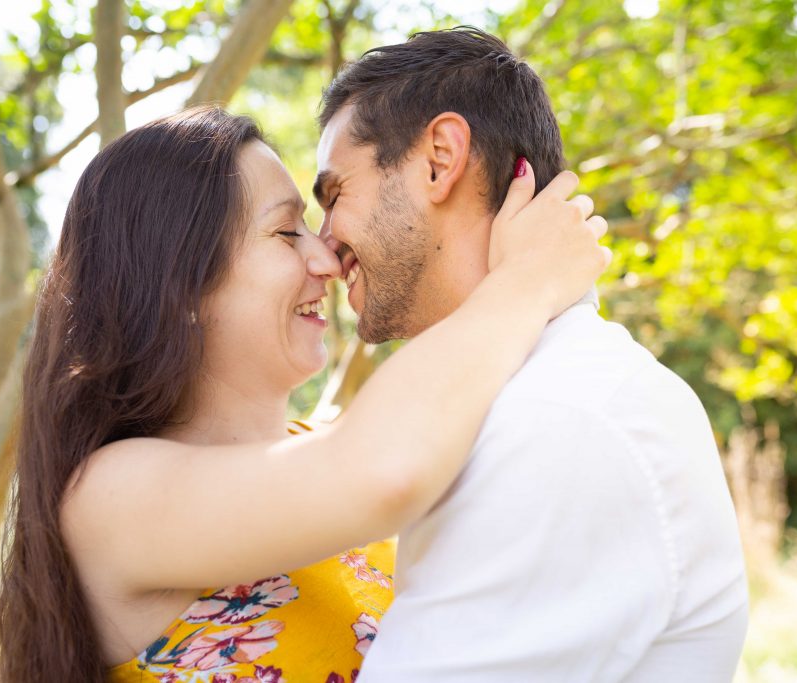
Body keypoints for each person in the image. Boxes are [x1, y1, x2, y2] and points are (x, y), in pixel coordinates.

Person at [0, 106, 609, 682]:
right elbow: (381, 471)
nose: (328, 257)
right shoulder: (108, 499)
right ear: (178, 287)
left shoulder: (326, 446)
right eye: (287, 232)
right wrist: (528, 279)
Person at [315, 27, 749, 682]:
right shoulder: (518, 400)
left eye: (333, 194)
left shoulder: (557, 419)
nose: (321, 247)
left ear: (439, 158)